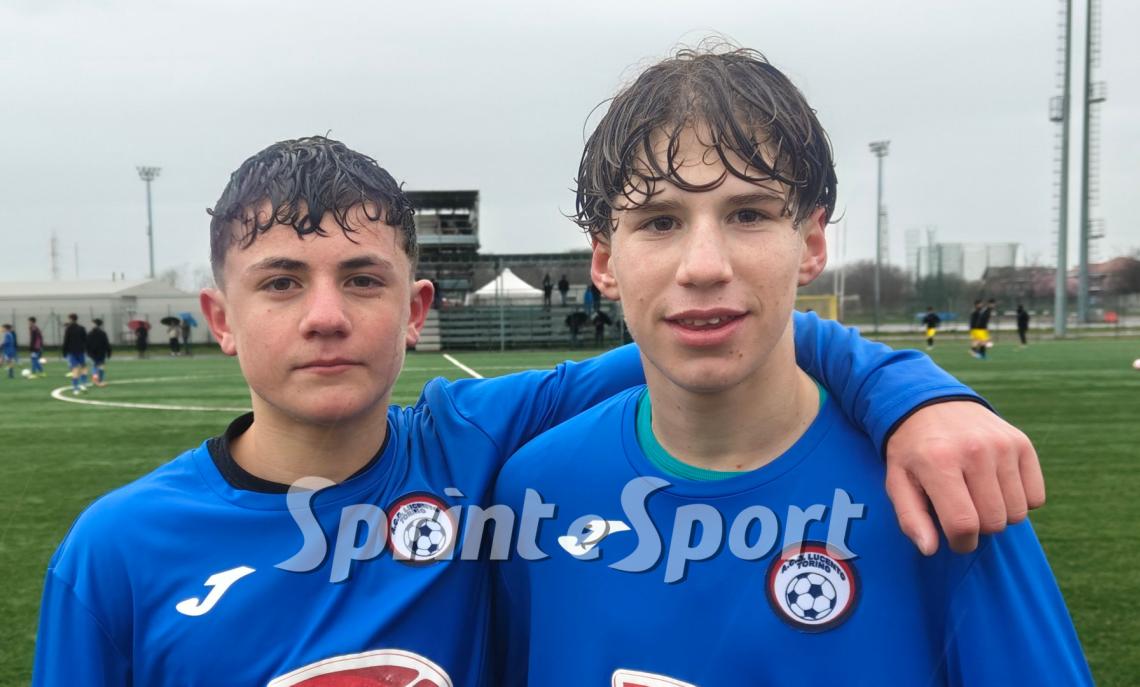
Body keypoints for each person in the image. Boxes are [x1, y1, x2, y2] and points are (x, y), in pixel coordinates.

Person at [34, 136, 1046, 686]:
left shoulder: (476, 446)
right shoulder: (118, 552)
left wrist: (916, 395)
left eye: (364, 280)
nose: (328, 318)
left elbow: (724, 324)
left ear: (418, 309)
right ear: (219, 316)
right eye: (282, 283)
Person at [493, 47, 1088, 685]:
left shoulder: (941, 491)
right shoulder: (537, 491)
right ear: (606, 264)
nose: (703, 265)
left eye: (748, 214)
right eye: (659, 221)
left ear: (810, 245)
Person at [61, 313, 88, 394]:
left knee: (75, 369)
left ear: (70, 319)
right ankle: (84, 384)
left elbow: (66, 341)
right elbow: (85, 340)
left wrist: (64, 351)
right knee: (83, 367)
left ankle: (76, 389)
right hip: (81, 351)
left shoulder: (68, 329)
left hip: (72, 351)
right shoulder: (82, 328)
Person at [86, 319, 112, 387]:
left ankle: (96, 380)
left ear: (94, 324)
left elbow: (87, 344)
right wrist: (109, 352)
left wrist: (88, 352)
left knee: (95, 366)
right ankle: (100, 380)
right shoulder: (102, 333)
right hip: (101, 352)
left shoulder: (90, 333)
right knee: (100, 366)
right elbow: (106, 344)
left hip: (93, 353)